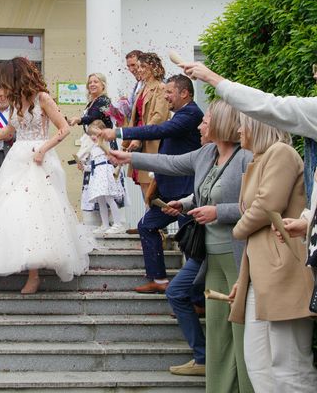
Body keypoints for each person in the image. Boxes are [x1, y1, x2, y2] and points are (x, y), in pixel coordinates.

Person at [110, 100, 254, 390]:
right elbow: (171, 164)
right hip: (209, 256)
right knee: (217, 332)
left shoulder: (246, 159)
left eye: (206, 120)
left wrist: (218, 212)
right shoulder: (206, 154)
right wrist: (130, 160)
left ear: (221, 124)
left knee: (241, 332)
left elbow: (255, 207)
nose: (200, 124)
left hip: (238, 258)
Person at [0, 57, 96, 294]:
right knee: (10, 209)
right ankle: (1, 259)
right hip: (17, 158)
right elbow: (11, 130)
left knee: (36, 212)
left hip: (39, 158)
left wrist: (42, 149)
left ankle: (34, 275)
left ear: (15, 76)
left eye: (4, 77)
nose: (1, 82)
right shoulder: (14, 101)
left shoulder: (43, 98)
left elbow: (64, 129)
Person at [182, 61, 317, 270]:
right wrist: (308, 221)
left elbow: (269, 105)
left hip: (274, 264)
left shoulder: (277, 154)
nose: (239, 131)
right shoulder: (255, 158)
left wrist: (212, 78)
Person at [226, 114, 316, 391]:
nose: (239, 129)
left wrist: (237, 230)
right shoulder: (260, 159)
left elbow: (268, 206)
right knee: (258, 363)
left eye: (243, 123)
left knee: (290, 366)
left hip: (284, 273)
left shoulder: (282, 154)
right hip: (261, 275)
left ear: (257, 125)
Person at [101, 74, 203, 293]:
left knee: (190, 243)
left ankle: (197, 298)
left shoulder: (191, 114)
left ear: (184, 93)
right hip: (169, 190)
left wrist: (119, 131)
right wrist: (156, 184)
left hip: (186, 193)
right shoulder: (180, 115)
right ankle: (159, 281)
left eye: (169, 92)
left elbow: (159, 131)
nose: (165, 97)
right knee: (146, 226)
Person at [68, 72, 123, 231]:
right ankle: (103, 224)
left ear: (103, 85)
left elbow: (96, 116)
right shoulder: (91, 102)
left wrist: (79, 119)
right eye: (90, 82)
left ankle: (117, 223)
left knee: (109, 189)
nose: (92, 84)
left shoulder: (104, 101)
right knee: (98, 191)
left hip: (104, 143)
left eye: (96, 82)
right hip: (93, 145)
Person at [123, 52, 170, 199]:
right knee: (143, 184)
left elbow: (159, 116)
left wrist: (140, 136)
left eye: (142, 66)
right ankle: (148, 219)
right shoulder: (142, 89)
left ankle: (151, 220)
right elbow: (135, 118)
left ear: (153, 67)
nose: (139, 70)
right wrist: (128, 140)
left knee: (152, 185)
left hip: (152, 142)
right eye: (138, 66)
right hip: (140, 140)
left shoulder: (161, 88)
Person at [84, 120, 125, 235]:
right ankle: (105, 224)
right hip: (97, 174)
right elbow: (93, 165)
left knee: (109, 198)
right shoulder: (93, 148)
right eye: (91, 134)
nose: (93, 137)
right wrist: (84, 167)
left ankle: (118, 223)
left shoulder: (104, 144)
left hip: (104, 173)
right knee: (101, 200)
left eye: (95, 134)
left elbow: (111, 158)